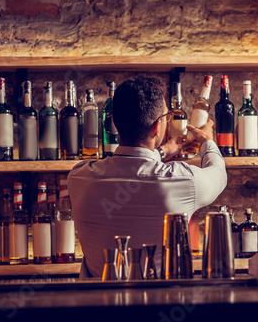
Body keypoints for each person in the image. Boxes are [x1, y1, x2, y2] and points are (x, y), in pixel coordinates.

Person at [68, 75, 227, 278]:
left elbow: (133, 164)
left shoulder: (79, 178)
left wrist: (162, 151)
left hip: (97, 306)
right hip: (159, 303)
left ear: (114, 122)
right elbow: (218, 174)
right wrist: (207, 142)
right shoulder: (184, 179)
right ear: (157, 127)